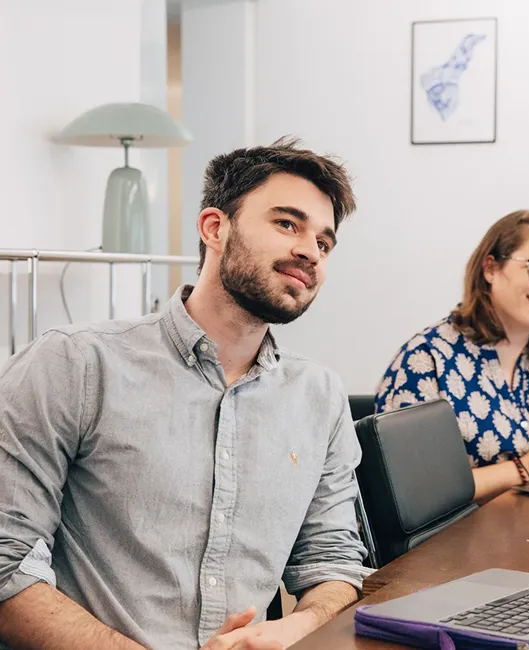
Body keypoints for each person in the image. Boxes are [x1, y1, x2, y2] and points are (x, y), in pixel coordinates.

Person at [0, 139, 371, 650]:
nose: (310, 251)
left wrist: (295, 627)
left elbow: (332, 560)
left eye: (324, 243)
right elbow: (5, 565)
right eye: (287, 224)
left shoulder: (319, 396)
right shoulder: (75, 365)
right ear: (215, 228)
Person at [376, 210, 529, 503]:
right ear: (491, 269)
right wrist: (527, 468)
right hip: (456, 544)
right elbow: (410, 490)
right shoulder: (428, 358)